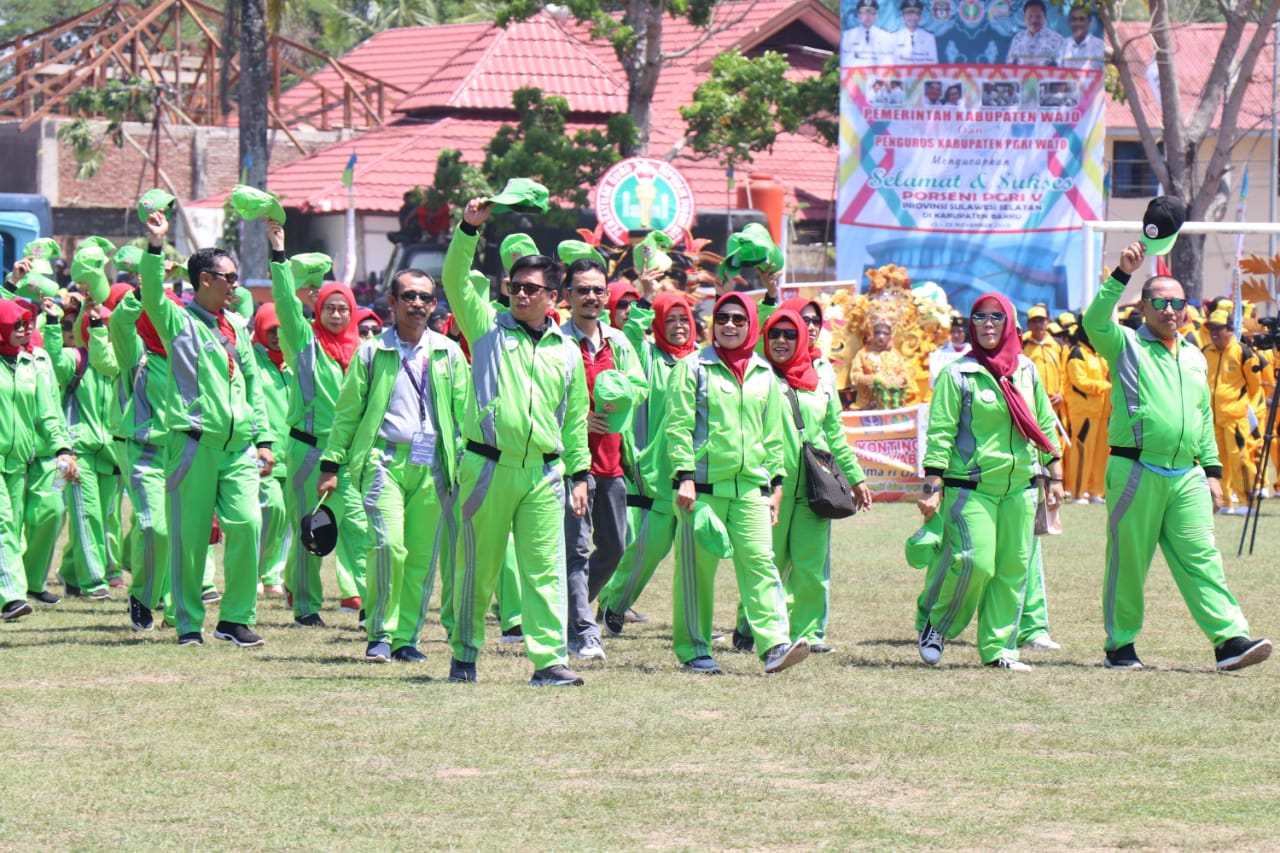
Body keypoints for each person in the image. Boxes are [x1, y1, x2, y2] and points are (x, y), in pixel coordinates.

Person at [1083, 242, 1271, 672]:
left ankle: (1229, 641)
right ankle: (1121, 646)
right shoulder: (1125, 345)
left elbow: (1202, 416)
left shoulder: (1191, 354)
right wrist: (1121, 276)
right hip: (1135, 467)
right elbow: (1095, 322)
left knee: (1202, 556)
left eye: (1178, 302)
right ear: (1144, 308)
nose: (1171, 310)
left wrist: (1212, 471)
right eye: (1161, 302)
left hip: (1186, 475)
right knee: (1129, 561)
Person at [442, 198, 591, 687]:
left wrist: (579, 475)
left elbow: (573, 419)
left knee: (544, 568)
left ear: (553, 297)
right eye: (514, 287)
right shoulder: (486, 328)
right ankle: (464, 654)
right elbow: (455, 281)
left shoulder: (567, 351)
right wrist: (469, 229)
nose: (520, 295)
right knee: (478, 569)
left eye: (531, 289)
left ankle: (548, 661)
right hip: (486, 467)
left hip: (544, 474)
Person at [318, 267, 468, 663]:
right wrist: (331, 463)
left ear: (434, 305)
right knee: (387, 546)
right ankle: (380, 632)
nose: (417, 304)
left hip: (432, 465)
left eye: (425, 298)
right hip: (383, 461)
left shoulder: (448, 353)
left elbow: (464, 414)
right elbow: (347, 412)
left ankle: (406, 639)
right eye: (409, 297)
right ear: (393, 302)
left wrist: (465, 463)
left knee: (421, 557)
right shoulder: (371, 351)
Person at [140, 210, 276, 648]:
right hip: (193, 443)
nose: (236, 284)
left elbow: (252, 383)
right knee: (190, 535)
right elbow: (150, 295)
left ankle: (235, 618)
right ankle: (187, 624)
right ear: (204, 280)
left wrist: (263, 437)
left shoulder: (237, 325)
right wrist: (156, 246)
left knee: (247, 524)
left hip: (237, 448)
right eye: (229, 277)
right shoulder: (178, 320)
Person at [916, 293, 1063, 671]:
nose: (987, 324)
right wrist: (933, 484)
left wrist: (1055, 474)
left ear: (1009, 322)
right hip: (971, 488)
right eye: (979, 317)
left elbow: (1044, 423)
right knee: (975, 563)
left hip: (1021, 489)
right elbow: (941, 432)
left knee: (1012, 571)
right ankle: (938, 625)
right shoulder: (958, 373)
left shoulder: (1026, 371)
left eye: (996, 317)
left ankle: (999, 650)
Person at [666, 293, 809, 675]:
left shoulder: (765, 372)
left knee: (761, 563)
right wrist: (684, 477)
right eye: (723, 318)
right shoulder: (693, 367)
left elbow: (773, 436)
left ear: (750, 325)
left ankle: (775, 644)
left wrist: (775, 485)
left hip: (750, 491)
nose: (730, 325)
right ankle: (694, 650)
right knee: (696, 572)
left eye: (738, 319)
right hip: (702, 493)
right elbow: (678, 427)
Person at [266, 223, 369, 628]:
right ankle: (305, 608)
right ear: (318, 309)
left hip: (349, 455)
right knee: (309, 529)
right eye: (330, 307)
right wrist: (279, 254)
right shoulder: (303, 343)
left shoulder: (364, 351)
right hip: (308, 451)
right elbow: (286, 306)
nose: (337, 314)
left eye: (344, 308)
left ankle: (367, 605)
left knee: (359, 527)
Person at [762, 308, 872, 652]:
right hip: (772, 488)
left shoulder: (819, 380)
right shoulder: (757, 376)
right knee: (769, 565)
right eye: (775, 333)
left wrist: (855, 478)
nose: (782, 341)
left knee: (811, 568)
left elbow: (834, 434)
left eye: (790, 334)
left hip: (814, 486)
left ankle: (808, 635)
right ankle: (752, 628)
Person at [559, 258, 648, 661]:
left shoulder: (619, 342)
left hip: (612, 462)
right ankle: (582, 629)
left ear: (607, 295)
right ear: (567, 296)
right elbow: (543, 396)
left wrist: (619, 400)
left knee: (614, 547)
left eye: (597, 289)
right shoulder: (556, 342)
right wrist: (579, 417)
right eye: (582, 289)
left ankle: (564, 613)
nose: (590, 296)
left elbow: (641, 387)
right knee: (575, 550)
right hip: (571, 464)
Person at [596, 291, 696, 633]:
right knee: (648, 548)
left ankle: (697, 621)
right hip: (652, 473)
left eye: (684, 319)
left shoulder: (700, 362)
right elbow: (634, 332)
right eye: (670, 320)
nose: (679, 326)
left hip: (698, 472)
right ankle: (614, 605)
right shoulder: (647, 356)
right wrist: (645, 295)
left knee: (697, 554)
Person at [0, 298, 78, 621]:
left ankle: (20, 587)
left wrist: (63, 448)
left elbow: (48, 413)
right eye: (16, 324)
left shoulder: (31, 364)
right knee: (3, 526)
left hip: (20, 463)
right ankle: (11, 596)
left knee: (18, 525)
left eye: (26, 323)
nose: (24, 329)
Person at [1202, 310, 1265, 514]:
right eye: (1211, 328)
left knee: (1240, 459)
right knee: (1217, 461)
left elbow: (1255, 387)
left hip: (1235, 417)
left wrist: (1247, 410)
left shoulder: (1243, 352)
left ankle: (1248, 502)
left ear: (1230, 329)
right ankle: (1225, 501)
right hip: (1212, 417)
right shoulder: (1205, 352)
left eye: (1218, 328)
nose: (1214, 333)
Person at [249, 303, 291, 598]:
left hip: (294, 452)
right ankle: (254, 571)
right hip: (262, 452)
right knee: (270, 508)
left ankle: (274, 574)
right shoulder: (251, 361)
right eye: (271, 329)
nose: (277, 335)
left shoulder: (296, 361)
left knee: (288, 516)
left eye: (281, 329)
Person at [1065, 325, 1110, 503]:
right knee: (1082, 451)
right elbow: (1080, 381)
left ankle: (1096, 491)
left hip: (1101, 411)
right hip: (1083, 412)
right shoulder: (1077, 353)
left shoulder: (1096, 354)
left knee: (1100, 453)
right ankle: (1078, 491)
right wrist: (1104, 386)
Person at [1006, 0, 1063, 66]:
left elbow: (1063, 67)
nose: (1034, 20)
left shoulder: (1057, 39)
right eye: (1030, 16)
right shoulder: (1018, 38)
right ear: (1024, 17)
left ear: (1045, 17)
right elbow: (1009, 65)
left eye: (1038, 16)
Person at [841, 0, 893, 67]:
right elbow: (846, 60)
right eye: (864, 12)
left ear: (876, 16)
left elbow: (888, 61)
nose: (867, 16)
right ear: (859, 15)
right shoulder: (848, 36)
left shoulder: (886, 36)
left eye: (871, 12)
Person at [1056, 3, 1105, 70]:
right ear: (1069, 22)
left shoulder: (1099, 46)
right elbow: (1058, 73)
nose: (1077, 23)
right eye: (1074, 19)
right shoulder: (1062, 46)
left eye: (1081, 19)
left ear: (1089, 22)